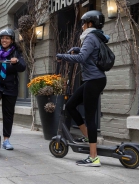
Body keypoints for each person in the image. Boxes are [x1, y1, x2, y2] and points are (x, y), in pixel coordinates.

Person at [56, 10, 109, 167]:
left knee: (90, 117)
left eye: (83, 23)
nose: (82, 27)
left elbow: (81, 58)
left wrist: (62, 56)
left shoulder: (90, 37)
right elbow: (89, 54)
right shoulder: (96, 37)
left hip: (94, 80)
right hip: (93, 79)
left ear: (90, 24)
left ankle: (94, 158)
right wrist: (77, 48)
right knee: (71, 105)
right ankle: (87, 136)